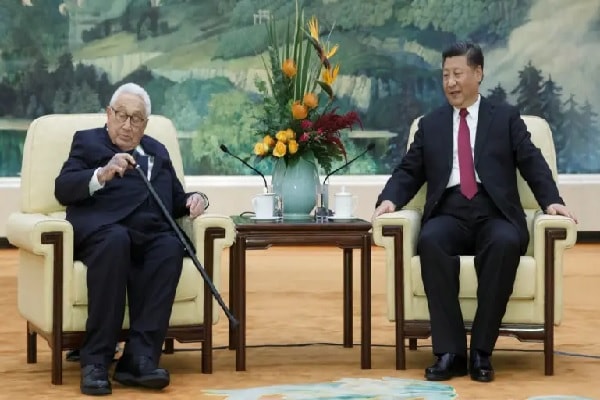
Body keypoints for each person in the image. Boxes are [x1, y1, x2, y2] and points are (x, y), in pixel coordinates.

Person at [372, 41, 577, 383]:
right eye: (445, 75)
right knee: (431, 241)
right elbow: (409, 170)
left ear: (478, 73)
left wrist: (551, 201)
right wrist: (389, 199)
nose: (451, 83)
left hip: (493, 211)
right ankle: (450, 352)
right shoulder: (432, 124)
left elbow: (531, 161)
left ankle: (481, 351)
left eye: (458, 74)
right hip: (449, 212)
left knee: (505, 242)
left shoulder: (505, 119)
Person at [55, 82, 208, 396]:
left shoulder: (157, 151)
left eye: (136, 119)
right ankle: (95, 359)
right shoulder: (87, 142)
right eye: (121, 115)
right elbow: (63, 188)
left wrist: (197, 199)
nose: (127, 124)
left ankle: (138, 359)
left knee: (169, 246)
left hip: (150, 234)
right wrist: (102, 173)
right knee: (116, 241)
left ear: (145, 124)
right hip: (103, 231)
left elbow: (176, 198)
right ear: (108, 114)